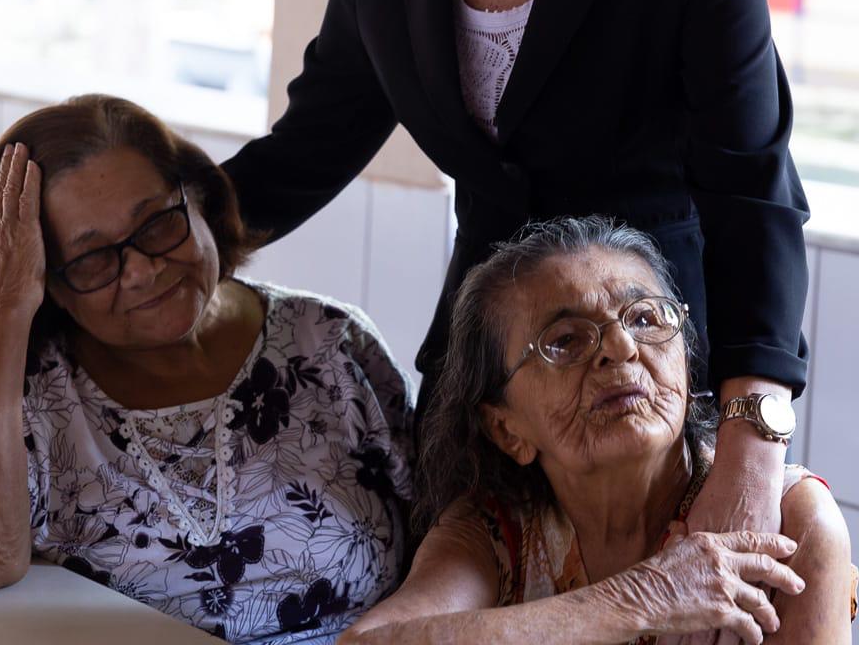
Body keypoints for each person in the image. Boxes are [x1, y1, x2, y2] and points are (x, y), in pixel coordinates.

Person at [221, 0, 810, 593]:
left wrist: (754, 445)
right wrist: (159, 239)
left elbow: (752, 190)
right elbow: (312, 143)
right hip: (490, 385)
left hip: (647, 381)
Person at [0, 94, 412, 645]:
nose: (142, 271)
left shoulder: (331, 343)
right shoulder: (33, 397)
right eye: (92, 259)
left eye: (155, 224)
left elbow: (455, 532)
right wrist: (7, 307)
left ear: (198, 198)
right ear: (48, 282)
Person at [339, 217, 856, 645]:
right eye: (564, 340)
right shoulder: (497, 530)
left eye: (645, 319)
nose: (622, 348)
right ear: (506, 428)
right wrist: (643, 597)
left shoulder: (790, 521)